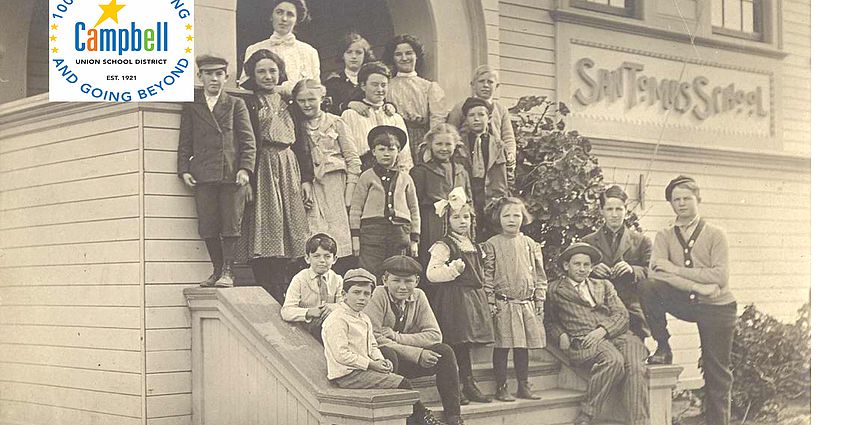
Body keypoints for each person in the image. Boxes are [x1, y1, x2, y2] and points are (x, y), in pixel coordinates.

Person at [640, 175, 735, 425]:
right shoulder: (664, 235)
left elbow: (720, 276)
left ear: (698, 199)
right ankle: (663, 346)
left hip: (717, 305)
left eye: (686, 198)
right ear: (671, 203)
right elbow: (656, 274)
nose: (681, 203)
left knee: (717, 371)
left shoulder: (716, 234)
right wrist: (696, 286)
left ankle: (717, 421)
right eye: (676, 199)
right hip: (688, 300)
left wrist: (675, 269)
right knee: (648, 287)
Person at [544, 242, 649, 425]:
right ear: (566, 265)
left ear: (592, 267)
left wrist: (603, 330)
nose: (582, 269)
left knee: (635, 367)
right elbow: (549, 321)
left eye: (586, 265)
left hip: (619, 335)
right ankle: (587, 415)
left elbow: (622, 314)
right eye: (577, 264)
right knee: (613, 361)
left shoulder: (604, 285)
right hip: (584, 339)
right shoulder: (554, 290)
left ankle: (640, 422)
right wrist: (560, 334)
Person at [240, 48, 312, 303]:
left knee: (291, 228)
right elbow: (244, 142)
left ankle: (286, 293)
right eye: (261, 71)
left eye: (272, 70)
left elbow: (302, 141)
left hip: (289, 164)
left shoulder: (289, 103)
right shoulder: (247, 102)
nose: (268, 76)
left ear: (280, 72)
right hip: (263, 167)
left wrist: (306, 179)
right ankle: (268, 290)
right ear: (252, 74)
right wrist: (247, 176)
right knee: (267, 227)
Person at [177, 54, 256, 288]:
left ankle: (228, 272)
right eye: (209, 74)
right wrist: (183, 170)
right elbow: (185, 141)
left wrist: (245, 169)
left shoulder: (235, 104)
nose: (214, 78)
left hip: (231, 174)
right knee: (208, 225)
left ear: (226, 77)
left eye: (219, 74)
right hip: (203, 175)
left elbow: (247, 141)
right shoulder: (193, 106)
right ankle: (216, 270)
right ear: (200, 76)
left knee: (231, 224)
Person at [364, 255, 462, 425]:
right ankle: (418, 415)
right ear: (385, 280)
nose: (402, 287)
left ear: (416, 281)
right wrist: (417, 353)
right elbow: (375, 338)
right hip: (384, 364)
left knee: (444, 351)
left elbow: (434, 335)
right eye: (396, 280)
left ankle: (454, 417)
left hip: (407, 360)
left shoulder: (419, 296)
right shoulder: (378, 295)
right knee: (387, 354)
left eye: (408, 281)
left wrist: (396, 336)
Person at [425, 187, 495, 404]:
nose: (462, 221)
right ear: (448, 220)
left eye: (466, 217)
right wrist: (452, 270)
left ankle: (469, 383)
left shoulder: (474, 244)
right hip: (454, 299)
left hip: (473, 299)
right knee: (457, 342)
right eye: (456, 217)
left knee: (466, 343)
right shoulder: (444, 246)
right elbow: (431, 274)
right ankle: (456, 387)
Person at [481, 197, 547, 401]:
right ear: (498, 218)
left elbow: (539, 274)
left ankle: (523, 385)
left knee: (522, 346)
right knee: (502, 347)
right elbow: (487, 275)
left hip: (525, 303)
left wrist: (539, 299)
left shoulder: (530, 244)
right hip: (503, 303)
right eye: (506, 215)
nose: (512, 219)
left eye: (516, 215)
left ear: (523, 217)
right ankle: (501, 386)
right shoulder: (492, 244)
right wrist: (490, 300)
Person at [292, 79, 361, 271]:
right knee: (312, 232)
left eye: (311, 99)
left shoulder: (336, 122)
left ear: (322, 98)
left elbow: (353, 159)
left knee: (337, 234)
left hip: (335, 185)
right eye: (301, 100)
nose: (306, 105)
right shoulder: (296, 125)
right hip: (308, 185)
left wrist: (349, 193)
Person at [580, 185, 652, 340]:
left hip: (632, 310)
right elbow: (576, 274)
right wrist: (591, 270)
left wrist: (632, 270)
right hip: (599, 310)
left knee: (634, 355)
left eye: (619, 209)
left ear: (626, 210)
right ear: (601, 211)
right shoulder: (588, 242)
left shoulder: (641, 241)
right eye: (609, 209)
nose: (614, 214)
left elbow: (653, 271)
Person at [349, 126, 420, 278]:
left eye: (391, 149)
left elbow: (414, 209)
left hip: (399, 232)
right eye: (381, 149)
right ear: (374, 152)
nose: (386, 154)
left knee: (396, 271)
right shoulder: (366, 177)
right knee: (370, 272)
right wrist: (355, 237)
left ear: (398, 151)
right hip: (372, 233)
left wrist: (414, 239)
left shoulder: (406, 178)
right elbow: (356, 208)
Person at [410, 123, 472, 270]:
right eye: (439, 144)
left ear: (455, 145)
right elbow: (414, 205)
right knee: (433, 261)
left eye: (448, 144)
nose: (443, 148)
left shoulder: (461, 171)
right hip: (431, 224)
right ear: (430, 144)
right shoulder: (420, 171)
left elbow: (469, 202)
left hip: (457, 225)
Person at [446, 65, 516, 187]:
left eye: (490, 82)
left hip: (494, 157)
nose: (485, 85)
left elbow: (508, 136)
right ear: (473, 84)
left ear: (497, 86)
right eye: (481, 81)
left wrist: (510, 155)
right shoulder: (461, 107)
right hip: (468, 157)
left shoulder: (501, 110)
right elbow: (450, 132)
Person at [381, 34, 447, 164]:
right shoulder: (387, 85)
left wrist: (430, 145)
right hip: (393, 139)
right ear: (393, 58)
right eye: (398, 54)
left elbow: (437, 120)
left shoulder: (428, 87)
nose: (404, 58)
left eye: (409, 53)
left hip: (421, 139)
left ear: (416, 55)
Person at [341, 61, 413, 173]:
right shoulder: (351, 115)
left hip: (393, 175)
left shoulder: (394, 117)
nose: (380, 90)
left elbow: (405, 156)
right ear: (363, 86)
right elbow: (348, 152)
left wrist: (403, 179)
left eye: (383, 85)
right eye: (374, 85)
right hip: (362, 173)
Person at [241, 0, 320, 96]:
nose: (284, 18)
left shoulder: (309, 52)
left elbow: (316, 89)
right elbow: (245, 88)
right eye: (279, 12)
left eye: (290, 14)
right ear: (271, 16)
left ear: (296, 20)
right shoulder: (254, 49)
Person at [457, 97, 509, 241]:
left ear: (489, 117)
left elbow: (507, 174)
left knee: (492, 235)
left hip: (492, 194)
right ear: (466, 119)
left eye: (481, 115)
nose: (477, 119)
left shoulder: (498, 145)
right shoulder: (459, 144)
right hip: (470, 191)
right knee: (471, 232)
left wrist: (504, 196)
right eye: (472, 115)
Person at [281, 233, 344, 341]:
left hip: (330, 326)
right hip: (306, 329)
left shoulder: (337, 279)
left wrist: (332, 307)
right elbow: (286, 311)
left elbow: (344, 305)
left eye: (327, 256)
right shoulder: (300, 279)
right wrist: (309, 312)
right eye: (316, 256)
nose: (322, 261)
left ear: (334, 259)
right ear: (307, 258)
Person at [323, 32, 375, 115]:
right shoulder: (333, 82)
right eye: (349, 52)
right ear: (342, 55)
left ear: (365, 55)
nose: (354, 56)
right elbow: (330, 109)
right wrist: (348, 104)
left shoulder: (373, 79)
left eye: (358, 52)